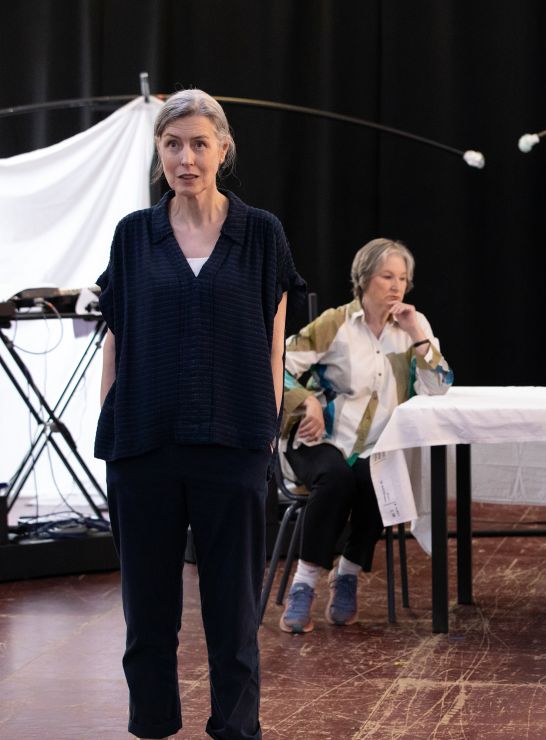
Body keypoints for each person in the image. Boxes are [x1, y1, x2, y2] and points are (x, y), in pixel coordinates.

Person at [96, 89, 303, 739]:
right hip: (145, 445)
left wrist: (265, 432)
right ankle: (153, 725)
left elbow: (276, 342)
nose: (186, 158)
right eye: (172, 145)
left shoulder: (260, 233)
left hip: (233, 440)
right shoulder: (134, 235)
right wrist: (111, 414)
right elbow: (114, 337)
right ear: (159, 152)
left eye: (199, 144)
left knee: (233, 610)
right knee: (148, 611)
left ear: (223, 149)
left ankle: (237, 730)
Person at [278, 238, 452, 634]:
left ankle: (348, 575)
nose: (396, 287)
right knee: (337, 478)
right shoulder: (336, 322)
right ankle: (304, 584)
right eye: (386, 276)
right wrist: (306, 401)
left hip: (378, 446)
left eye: (403, 279)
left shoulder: (410, 327)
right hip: (321, 439)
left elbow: (439, 387)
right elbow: (279, 364)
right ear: (363, 278)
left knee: (379, 478)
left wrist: (419, 336)